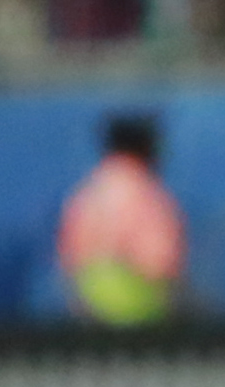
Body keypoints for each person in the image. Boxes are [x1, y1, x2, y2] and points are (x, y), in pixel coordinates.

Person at [58, 112, 186, 324]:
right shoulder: (147, 193)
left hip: (86, 304)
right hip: (137, 306)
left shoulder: (87, 191)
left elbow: (69, 256)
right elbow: (161, 262)